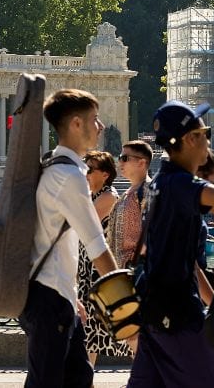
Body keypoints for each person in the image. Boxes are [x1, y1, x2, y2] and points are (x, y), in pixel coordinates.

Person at [129, 101, 214, 388]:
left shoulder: (161, 182)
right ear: (190, 139)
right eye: (204, 132)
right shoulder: (180, 183)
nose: (208, 140)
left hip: (153, 307)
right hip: (178, 312)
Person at [20, 89, 123, 388]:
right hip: (49, 298)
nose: (101, 126)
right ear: (77, 124)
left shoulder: (51, 165)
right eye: (95, 119)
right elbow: (97, 247)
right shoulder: (70, 176)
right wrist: (125, 308)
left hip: (56, 295)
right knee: (49, 382)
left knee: (78, 377)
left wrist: (71, 292)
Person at [78, 150, 129, 365]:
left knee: (97, 328)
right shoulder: (88, 194)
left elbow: (82, 223)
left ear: (105, 174)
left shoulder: (109, 196)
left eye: (90, 169)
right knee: (87, 331)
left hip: (97, 268)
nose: (85, 172)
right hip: (83, 266)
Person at [107, 140, 153, 269]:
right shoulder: (128, 192)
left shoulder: (149, 191)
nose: (120, 161)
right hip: (122, 273)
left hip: (136, 274)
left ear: (141, 162)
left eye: (124, 158)